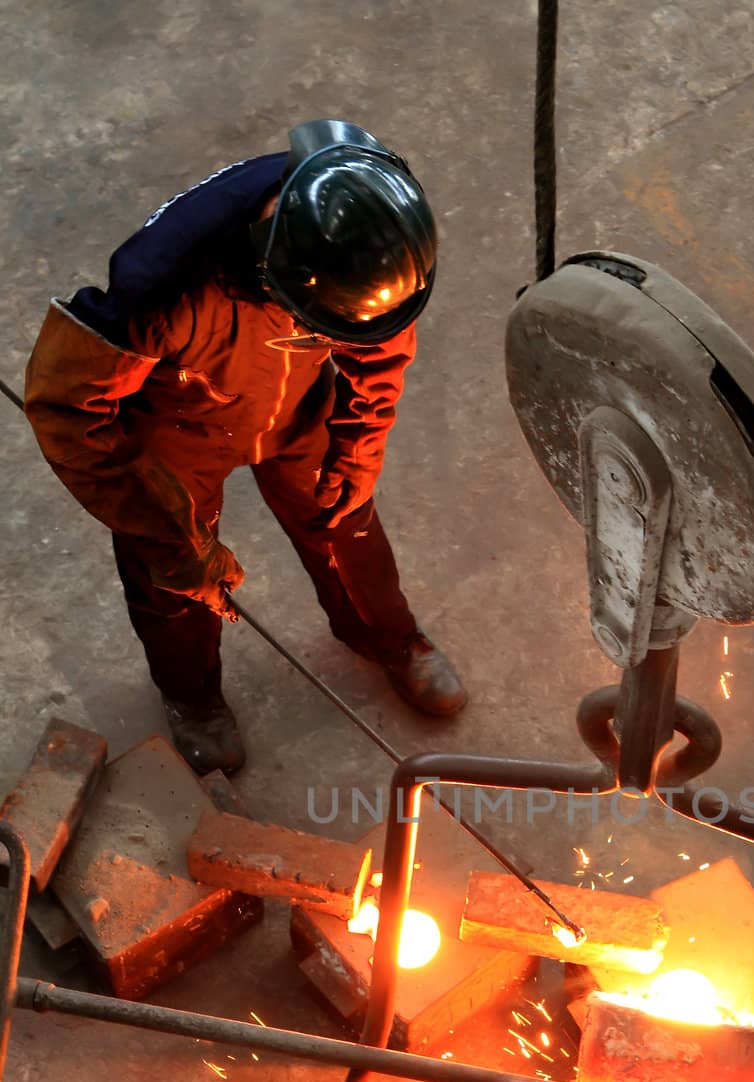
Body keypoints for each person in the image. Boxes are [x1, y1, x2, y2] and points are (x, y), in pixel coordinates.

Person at [23, 118, 467, 776]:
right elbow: (66, 409)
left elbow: (380, 347)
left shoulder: (366, 223)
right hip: (179, 425)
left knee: (346, 516)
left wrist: (360, 447)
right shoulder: (162, 289)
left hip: (293, 407)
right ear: (272, 271)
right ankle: (193, 696)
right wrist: (166, 528)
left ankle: (387, 636)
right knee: (171, 576)